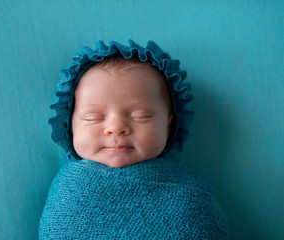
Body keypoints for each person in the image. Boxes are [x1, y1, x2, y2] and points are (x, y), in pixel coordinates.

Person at [39, 40, 228, 239]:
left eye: (141, 116)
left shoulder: (189, 193)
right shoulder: (71, 190)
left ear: (169, 125)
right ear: (69, 126)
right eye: (93, 117)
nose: (116, 128)